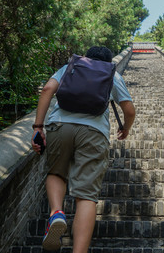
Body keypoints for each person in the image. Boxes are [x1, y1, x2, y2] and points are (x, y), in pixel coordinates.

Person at [31, 46, 135, 253]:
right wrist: (126, 128)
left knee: (56, 172)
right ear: (108, 62)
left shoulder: (71, 67)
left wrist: (38, 127)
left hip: (59, 126)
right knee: (86, 195)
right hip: (94, 133)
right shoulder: (112, 75)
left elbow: (47, 90)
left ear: (86, 57)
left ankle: (56, 212)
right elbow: (129, 110)